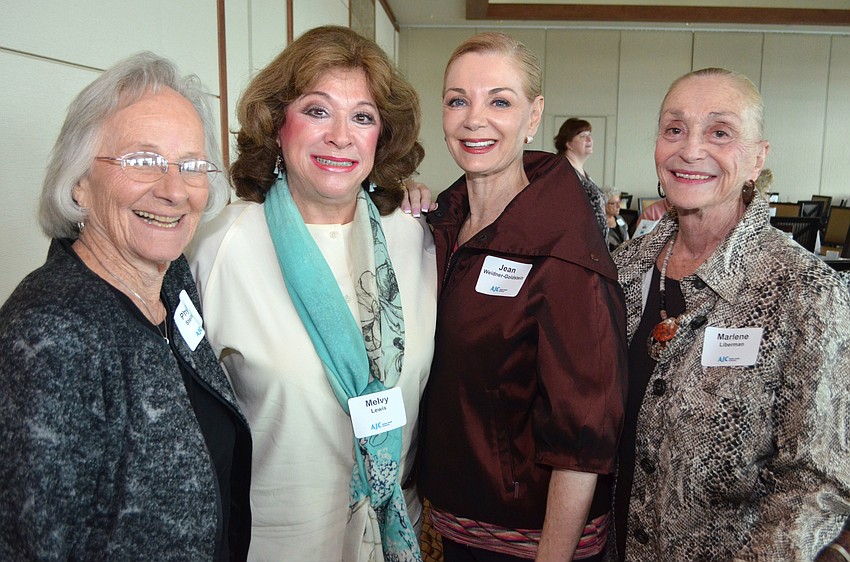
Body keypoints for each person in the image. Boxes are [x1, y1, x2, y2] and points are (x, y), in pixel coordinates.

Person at [186, 26, 436, 562]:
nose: (341, 136)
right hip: (272, 541)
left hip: (394, 534)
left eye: (362, 117)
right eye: (318, 111)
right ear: (278, 125)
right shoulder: (219, 245)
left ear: (381, 137)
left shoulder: (414, 239)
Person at [0, 52, 252, 561]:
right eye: (142, 161)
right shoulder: (47, 335)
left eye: (191, 165)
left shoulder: (173, 281)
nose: (174, 190)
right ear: (78, 183)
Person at [610, 67, 850, 560]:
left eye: (720, 133)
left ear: (757, 158)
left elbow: (813, 485)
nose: (691, 150)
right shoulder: (621, 271)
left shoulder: (803, 289)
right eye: (674, 129)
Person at [417, 32, 628, 562]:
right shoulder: (443, 223)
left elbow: (583, 439)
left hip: (527, 541)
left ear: (533, 117)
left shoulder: (564, 253)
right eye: (458, 100)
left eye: (500, 101)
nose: (474, 119)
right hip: (450, 522)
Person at [554, 117, 607, 237]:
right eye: (583, 136)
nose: (589, 139)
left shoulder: (581, 172)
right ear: (569, 144)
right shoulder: (564, 173)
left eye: (589, 134)